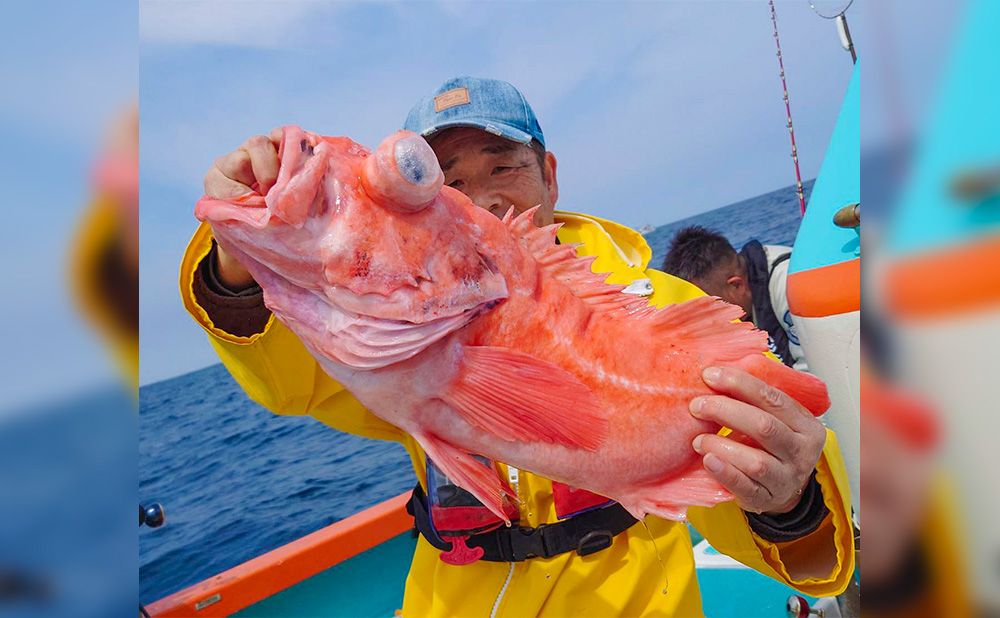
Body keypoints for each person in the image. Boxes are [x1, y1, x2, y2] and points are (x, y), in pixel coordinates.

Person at [182, 76, 854, 616]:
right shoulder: (398, 336)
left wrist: (791, 507)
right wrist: (235, 265)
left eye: (503, 165)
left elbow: (753, 508)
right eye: (446, 182)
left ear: (549, 175)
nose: (483, 198)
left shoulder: (673, 311)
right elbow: (292, 380)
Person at [662, 226, 807, 371]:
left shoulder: (791, 284)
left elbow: (814, 369)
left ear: (736, 285)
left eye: (711, 308)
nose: (708, 321)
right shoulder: (740, 296)